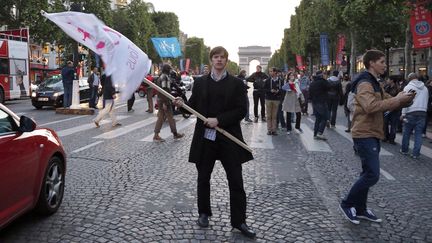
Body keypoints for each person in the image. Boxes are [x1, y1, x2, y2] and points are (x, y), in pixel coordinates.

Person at [176, 46, 255, 238]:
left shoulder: (236, 83)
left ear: (226, 61)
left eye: (222, 58)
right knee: (203, 178)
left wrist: (219, 120)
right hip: (205, 138)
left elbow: (241, 110)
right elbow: (192, 107)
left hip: (229, 138)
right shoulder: (200, 82)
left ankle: (239, 221)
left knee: (236, 181)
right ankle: (204, 213)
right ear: (211, 60)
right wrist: (181, 104)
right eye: (216, 57)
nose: (219, 60)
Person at [340, 50, 415, 225]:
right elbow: (371, 106)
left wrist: (406, 98)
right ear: (372, 63)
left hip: (372, 132)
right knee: (373, 175)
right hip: (364, 132)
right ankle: (346, 203)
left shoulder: (375, 82)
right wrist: (398, 100)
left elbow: (389, 98)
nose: (385, 64)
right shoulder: (365, 83)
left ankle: (360, 209)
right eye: (382, 61)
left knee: (367, 173)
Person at [400, 72, 429, 159]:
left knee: (406, 132)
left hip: (410, 112)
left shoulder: (408, 87)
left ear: (409, 79)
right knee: (418, 134)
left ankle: (404, 150)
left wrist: (403, 113)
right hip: (422, 112)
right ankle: (416, 154)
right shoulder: (425, 88)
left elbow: (405, 101)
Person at [153, 64, 184, 142]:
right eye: (170, 69)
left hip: (162, 99)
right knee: (164, 117)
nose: (171, 71)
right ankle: (158, 135)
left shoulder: (162, 76)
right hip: (164, 100)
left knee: (168, 117)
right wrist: (165, 103)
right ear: (167, 70)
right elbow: (165, 91)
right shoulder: (165, 77)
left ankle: (174, 134)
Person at [309, 70, 330, 140]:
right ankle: (320, 132)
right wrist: (325, 79)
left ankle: (315, 134)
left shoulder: (312, 83)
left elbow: (310, 93)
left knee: (318, 119)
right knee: (325, 117)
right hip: (322, 102)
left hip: (314, 102)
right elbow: (329, 86)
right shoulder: (322, 82)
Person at [263, 67, 282, 135]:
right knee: (269, 116)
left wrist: (278, 91)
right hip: (268, 99)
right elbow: (264, 89)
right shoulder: (267, 80)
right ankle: (269, 129)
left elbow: (282, 89)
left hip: (276, 99)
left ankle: (274, 130)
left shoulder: (280, 80)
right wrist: (270, 91)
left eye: (271, 71)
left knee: (274, 116)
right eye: (269, 71)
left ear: (275, 72)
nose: (270, 72)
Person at [383, 77, 401, 144]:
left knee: (393, 125)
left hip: (394, 109)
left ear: (392, 80)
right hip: (386, 108)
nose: (387, 80)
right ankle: (386, 136)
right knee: (385, 123)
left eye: (388, 79)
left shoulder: (398, 88)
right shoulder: (386, 87)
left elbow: (398, 99)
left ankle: (392, 139)